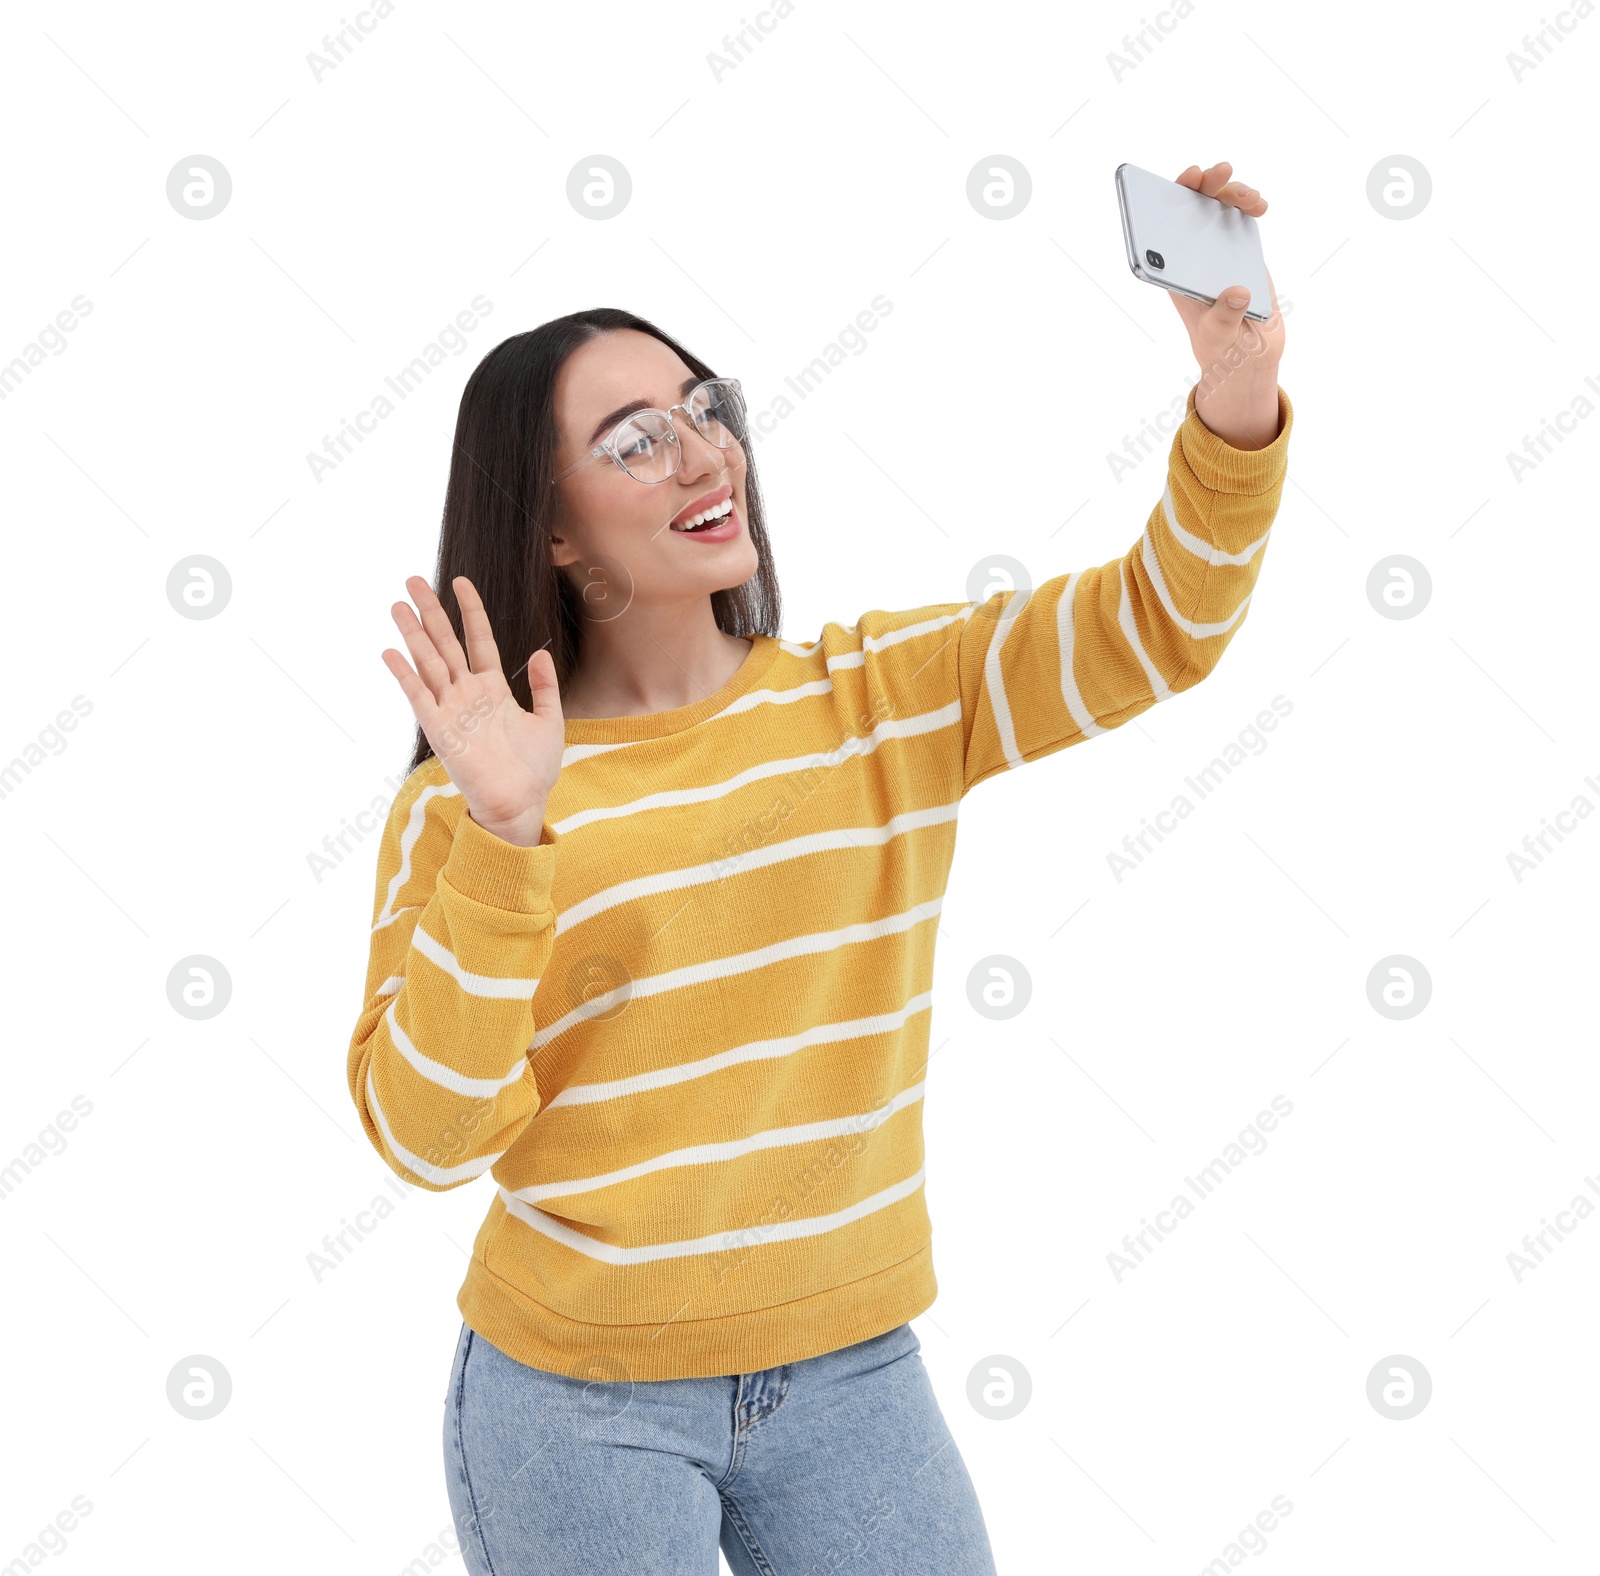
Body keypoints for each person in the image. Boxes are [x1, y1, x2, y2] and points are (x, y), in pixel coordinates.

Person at [346, 160, 1292, 1574]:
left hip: (853, 1374)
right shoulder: (478, 803)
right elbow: (427, 1140)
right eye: (635, 439)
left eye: (707, 413)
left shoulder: (885, 697)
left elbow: (1163, 627)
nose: (705, 456)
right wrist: (507, 838)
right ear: (548, 525)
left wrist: (1235, 391)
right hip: (575, 1404)